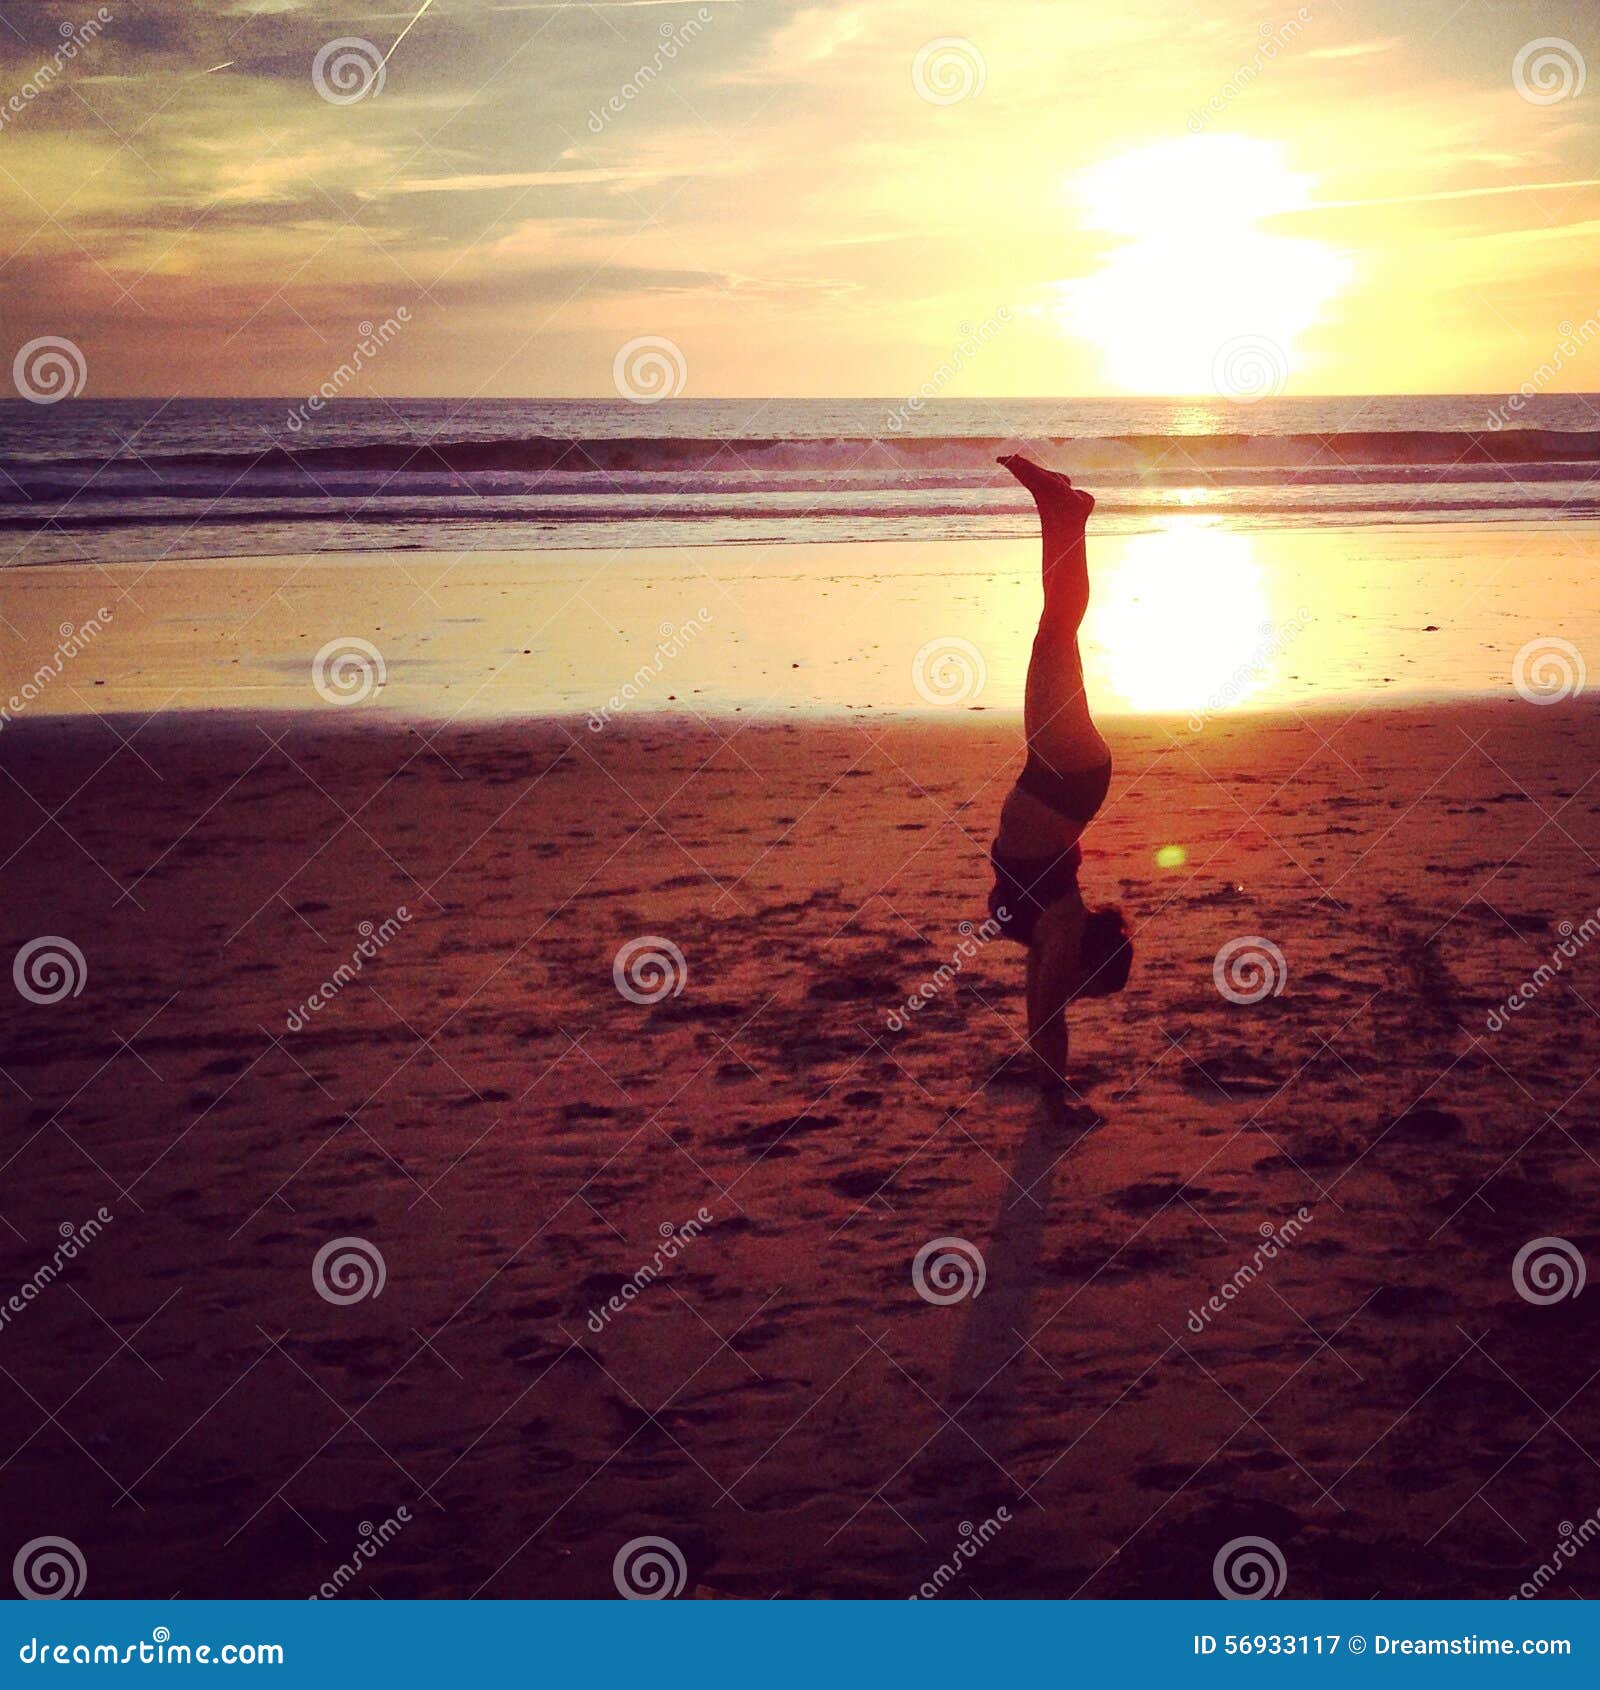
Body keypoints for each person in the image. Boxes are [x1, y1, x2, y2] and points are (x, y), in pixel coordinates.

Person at [988, 453, 1131, 1102]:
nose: (1071, 987)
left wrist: (1051, 1090)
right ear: (1090, 963)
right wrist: (1057, 1095)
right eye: (1087, 983)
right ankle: (1064, 514)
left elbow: (1036, 1012)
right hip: (1064, 776)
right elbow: (1050, 1018)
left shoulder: (1050, 939)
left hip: (1056, 778)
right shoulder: (1063, 929)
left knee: (1055, 630)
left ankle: (1061, 512)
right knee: (1057, 630)